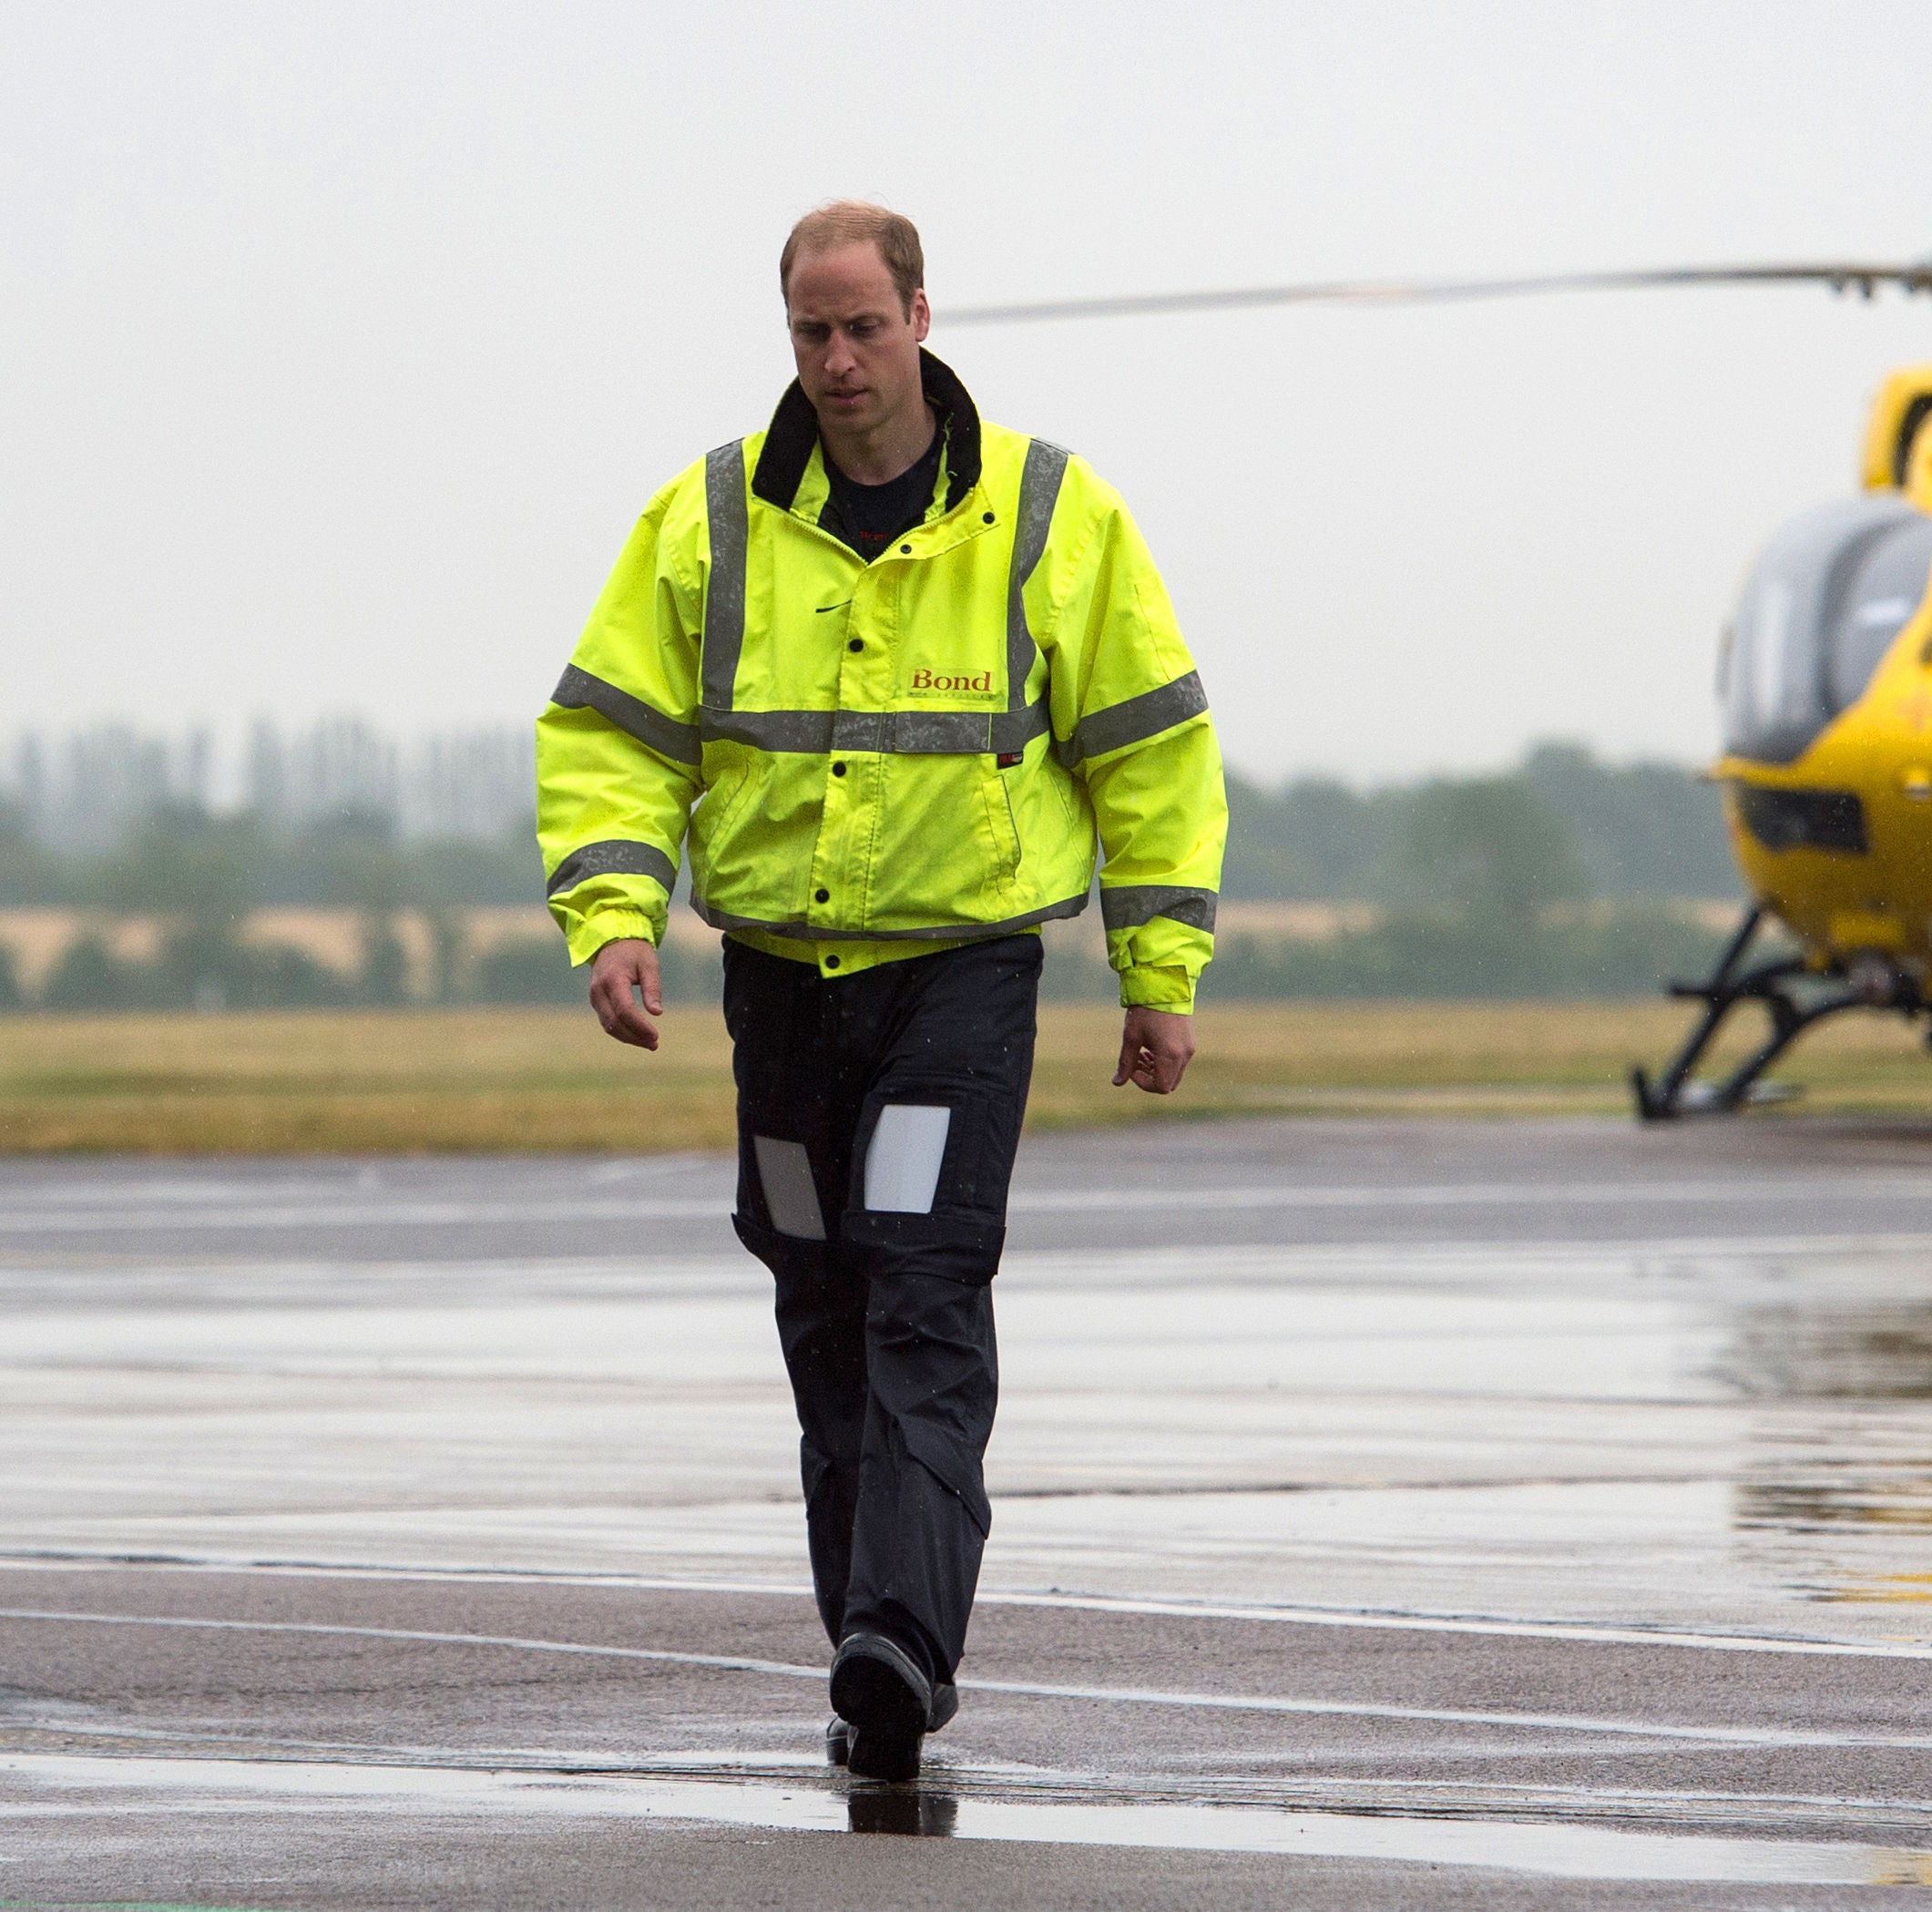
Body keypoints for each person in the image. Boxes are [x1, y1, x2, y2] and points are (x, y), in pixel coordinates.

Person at [535, 200, 1226, 1781]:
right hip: (777, 992)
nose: (837, 362)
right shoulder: (707, 519)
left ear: (923, 316)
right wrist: (613, 915)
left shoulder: (1049, 515)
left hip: (955, 987)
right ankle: (867, 1639)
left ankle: (901, 1646)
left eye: (862, 327)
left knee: (920, 1281)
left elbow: (1150, 746)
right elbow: (613, 735)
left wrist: (1158, 970)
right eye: (809, 332)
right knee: (820, 1293)